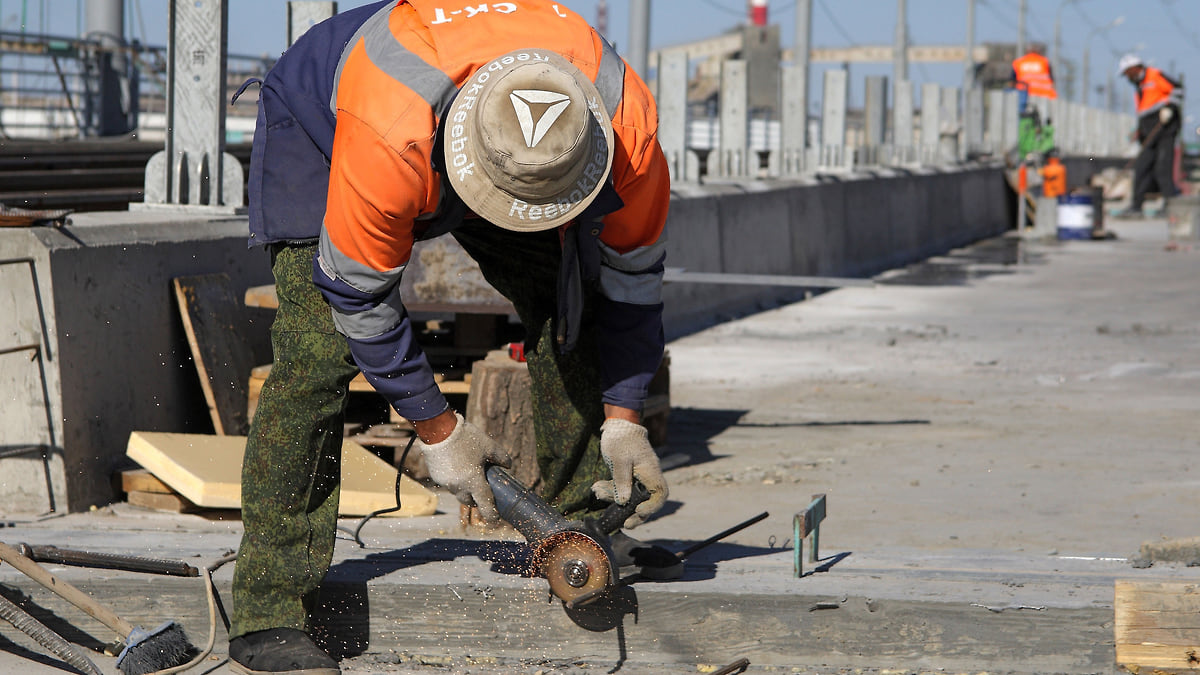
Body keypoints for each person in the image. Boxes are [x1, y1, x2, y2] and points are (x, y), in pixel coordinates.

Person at [228, 2, 673, 673]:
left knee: (566, 295)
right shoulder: (388, 134)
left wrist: (624, 417)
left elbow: (632, 285)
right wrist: (440, 431)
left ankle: (577, 526)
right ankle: (269, 608)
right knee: (317, 351)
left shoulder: (628, 129)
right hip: (324, 125)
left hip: (492, 136)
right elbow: (358, 294)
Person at [1116, 53, 1183, 218]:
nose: (1127, 77)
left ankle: (1170, 205)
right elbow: (1143, 112)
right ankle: (1136, 206)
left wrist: (1170, 109)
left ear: (1135, 68)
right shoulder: (1139, 87)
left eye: (1127, 73)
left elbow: (1178, 90)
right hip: (1148, 132)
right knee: (1141, 168)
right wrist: (1139, 131)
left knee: (1162, 168)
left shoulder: (1155, 75)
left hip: (1165, 129)